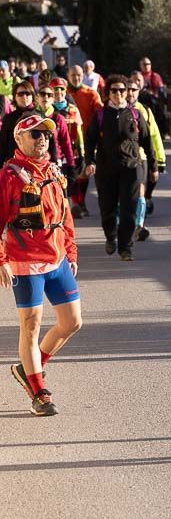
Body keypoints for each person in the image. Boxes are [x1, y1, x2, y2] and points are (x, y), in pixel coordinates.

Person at [2, 113, 82, 416]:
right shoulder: (9, 176)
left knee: (72, 322)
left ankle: (29, 369)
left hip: (57, 258)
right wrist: (1, 260)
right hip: (24, 261)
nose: (42, 139)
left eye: (46, 134)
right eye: (34, 134)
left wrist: (71, 251)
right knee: (31, 325)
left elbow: (65, 214)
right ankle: (39, 392)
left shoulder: (52, 170)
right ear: (18, 139)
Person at [84, 75, 153, 261]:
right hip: (106, 170)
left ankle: (125, 248)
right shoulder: (99, 115)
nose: (119, 94)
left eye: (122, 90)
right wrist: (89, 161)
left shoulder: (135, 114)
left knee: (129, 209)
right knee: (107, 208)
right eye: (114, 91)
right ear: (108, 94)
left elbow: (147, 141)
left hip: (131, 169)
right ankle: (110, 236)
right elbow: (89, 140)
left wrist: (153, 166)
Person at [123, 75, 166, 241]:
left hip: (141, 157)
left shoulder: (145, 111)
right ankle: (124, 224)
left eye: (134, 90)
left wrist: (160, 160)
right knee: (124, 194)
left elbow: (154, 136)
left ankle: (139, 226)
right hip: (122, 158)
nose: (130, 93)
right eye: (127, 90)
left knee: (140, 191)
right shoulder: (117, 110)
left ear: (139, 91)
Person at [66, 65, 102, 218]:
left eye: (79, 75)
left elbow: (100, 114)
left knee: (85, 172)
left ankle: (81, 201)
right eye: (73, 75)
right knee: (73, 172)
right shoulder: (63, 93)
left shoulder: (90, 93)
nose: (76, 78)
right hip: (68, 139)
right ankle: (76, 203)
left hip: (86, 139)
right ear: (68, 75)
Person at [0, 80, 40, 158]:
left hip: (35, 162)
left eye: (27, 93)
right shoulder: (9, 118)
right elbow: (3, 144)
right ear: (15, 97)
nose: (24, 97)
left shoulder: (39, 117)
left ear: (32, 95)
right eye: (20, 94)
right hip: (14, 163)